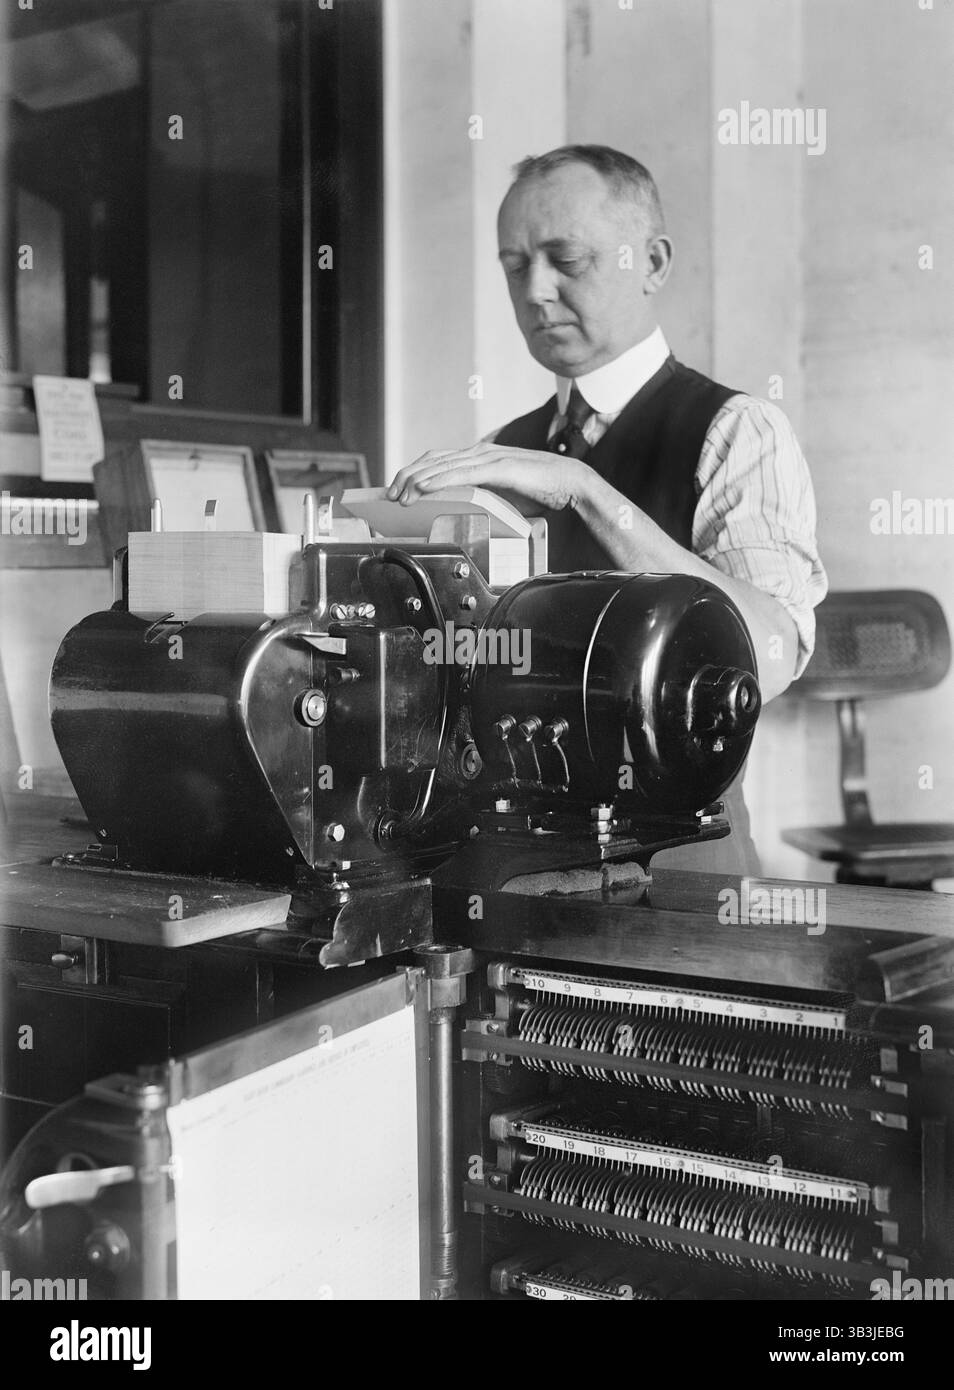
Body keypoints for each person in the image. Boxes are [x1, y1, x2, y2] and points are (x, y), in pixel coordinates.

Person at [387, 145, 827, 873]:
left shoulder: (738, 431)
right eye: (514, 264)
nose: (535, 290)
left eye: (567, 258)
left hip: (684, 869)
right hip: (517, 870)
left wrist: (583, 489)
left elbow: (771, 659)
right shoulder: (501, 450)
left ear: (651, 263)